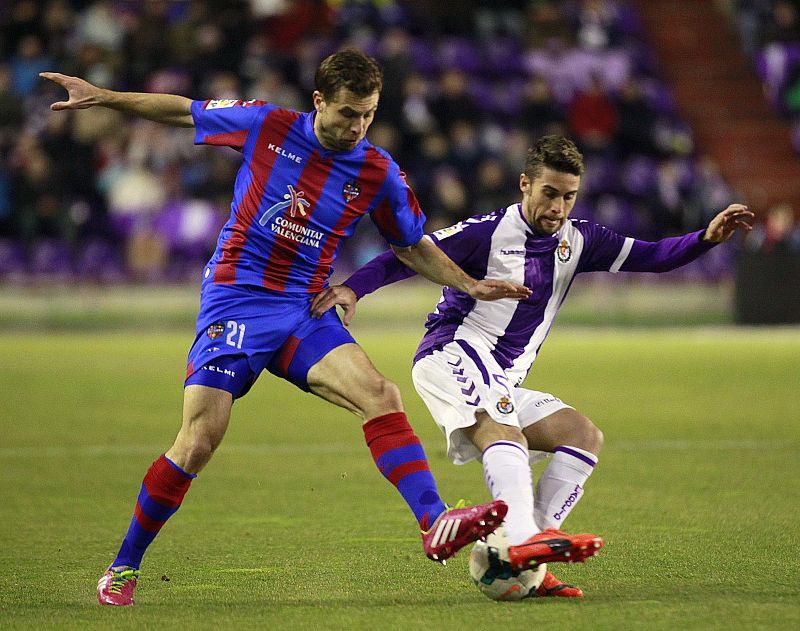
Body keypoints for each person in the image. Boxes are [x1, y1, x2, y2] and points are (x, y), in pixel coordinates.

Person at [40, 49, 534, 607]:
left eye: (368, 114)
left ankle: (434, 521)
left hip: (303, 307)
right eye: (348, 112)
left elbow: (410, 244)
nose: (357, 126)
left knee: (380, 393)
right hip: (235, 299)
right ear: (319, 101)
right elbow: (184, 111)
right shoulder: (267, 125)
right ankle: (124, 566)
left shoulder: (378, 172)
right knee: (199, 439)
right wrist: (104, 96)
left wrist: (468, 284)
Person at [311, 135, 754, 598]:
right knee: (506, 434)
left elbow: (655, 257)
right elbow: (406, 254)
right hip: (453, 352)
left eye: (568, 196)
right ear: (525, 184)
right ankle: (523, 538)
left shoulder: (581, 240)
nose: (558, 207)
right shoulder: (486, 233)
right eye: (549, 193)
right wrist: (353, 288)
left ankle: (526, 558)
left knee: (582, 436)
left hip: (498, 375)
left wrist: (706, 238)